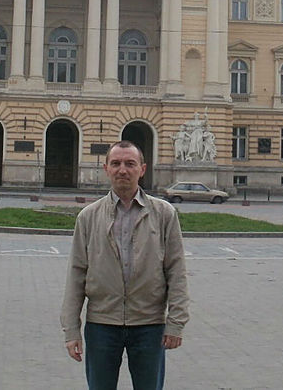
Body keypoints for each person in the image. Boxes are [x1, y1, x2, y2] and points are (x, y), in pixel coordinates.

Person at [61, 140, 189, 390]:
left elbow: (176, 270)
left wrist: (176, 322)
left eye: (130, 164)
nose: (123, 170)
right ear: (106, 168)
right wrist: (71, 330)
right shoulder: (88, 217)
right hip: (101, 325)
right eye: (116, 163)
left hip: (149, 325)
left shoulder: (164, 214)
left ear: (142, 169)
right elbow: (76, 274)